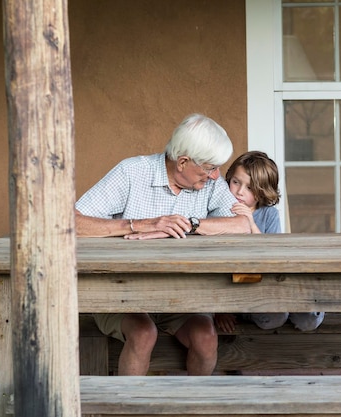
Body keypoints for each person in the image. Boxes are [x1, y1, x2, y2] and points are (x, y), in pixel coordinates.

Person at [75, 113, 251, 376]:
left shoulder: (208, 185)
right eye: (210, 168)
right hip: (125, 294)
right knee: (143, 333)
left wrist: (190, 224)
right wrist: (138, 224)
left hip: (182, 295)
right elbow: (70, 222)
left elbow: (243, 224)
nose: (216, 176)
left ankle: (191, 409)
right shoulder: (132, 172)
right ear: (182, 162)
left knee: (206, 338)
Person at [213, 151, 325, 333]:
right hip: (241, 288)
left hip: (273, 283)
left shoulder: (268, 214)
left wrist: (249, 221)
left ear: (262, 192)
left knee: (309, 319)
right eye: (236, 182)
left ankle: (303, 305)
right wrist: (219, 310)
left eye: (250, 188)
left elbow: (270, 253)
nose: (240, 192)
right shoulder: (219, 214)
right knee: (274, 317)